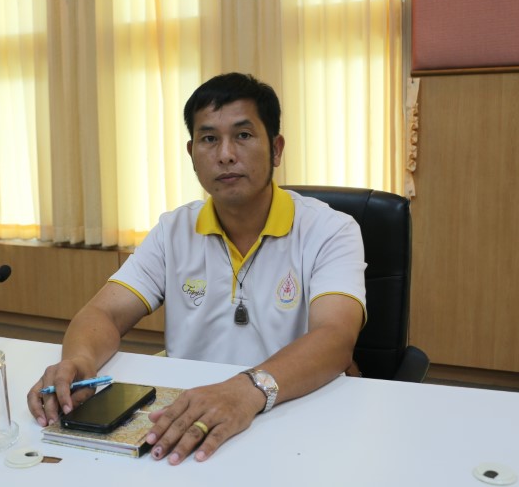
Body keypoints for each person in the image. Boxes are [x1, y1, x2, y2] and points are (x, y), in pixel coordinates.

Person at [27, 72, 366, 465]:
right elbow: (104, 312)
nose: (225, 154)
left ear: (276, 149)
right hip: (190, 415)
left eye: (243, 135)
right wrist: (79, 362)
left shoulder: (330, 229)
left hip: (292, 412)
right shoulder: (174, 230)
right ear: (192, 153)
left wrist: (246, 390)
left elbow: (335, 337)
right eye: (209, 139)